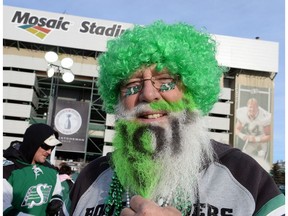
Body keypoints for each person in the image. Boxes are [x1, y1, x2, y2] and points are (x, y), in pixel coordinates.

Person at [69, 21, 285, 216]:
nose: (148, 94)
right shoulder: (90, 179)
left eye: (165, 80)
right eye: (132, 85)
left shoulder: (245, 176)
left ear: (191, 91)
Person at [3, 123, 66, 216]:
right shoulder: (7, 170)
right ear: (33, 143)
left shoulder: (51, 170)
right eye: (46, 146)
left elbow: (57, 191)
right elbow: (4, 208)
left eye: (52, 147)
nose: (49, 151)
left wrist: (56, 198)